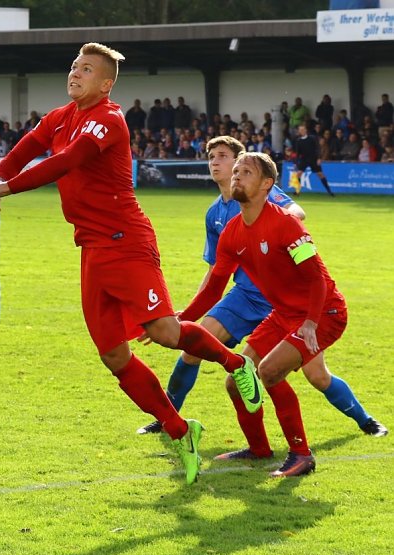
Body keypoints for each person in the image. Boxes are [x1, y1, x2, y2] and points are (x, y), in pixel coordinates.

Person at [0, 42, 264, 486]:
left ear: (105, 83)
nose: (76, 73)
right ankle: (180, 429)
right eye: (74, 66)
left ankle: (236, 365)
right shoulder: (59, 117)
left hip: (127, 242)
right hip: (91, 250)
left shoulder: (109, 119)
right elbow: (28, 146)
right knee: (113, 354)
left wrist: (4, 189)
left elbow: (65, 161)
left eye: (86, 69)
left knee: (165, 333)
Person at [137, 136, 385, 440]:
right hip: (246, 297)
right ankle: (168, 418)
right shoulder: (216, 214)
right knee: (195, 348)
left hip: (291, 302)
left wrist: (277, 233)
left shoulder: (263, 195)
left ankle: (364, 420)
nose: (215, 162)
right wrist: (182, 318)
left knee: (317, 376)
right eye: (211, 156)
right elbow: (215, 273)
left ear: (241, 162)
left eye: (223, 156)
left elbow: (298, 215)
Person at [180, 152, 372, 477]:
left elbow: (315, 278)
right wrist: (181, 317)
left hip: (324, 312)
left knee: (268, 372)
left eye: (246, 172)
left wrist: (311, 322)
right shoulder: (231, 232)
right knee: (237, 380)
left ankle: (301, 454)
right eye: (236, 171)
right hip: (284, 314)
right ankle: (258, 450)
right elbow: (214, 288)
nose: (237, 176)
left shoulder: (286, 224)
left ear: (267, 184)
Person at [294, 123, 335, 196]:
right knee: (298, 174)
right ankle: (297, 191)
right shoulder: (298, 141)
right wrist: (296, 163)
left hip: (313, 158)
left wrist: (319, 158)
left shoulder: (312, 138)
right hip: (304, 159)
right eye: (300, 130)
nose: (302, 131)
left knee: (320, 174)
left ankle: (329, 191)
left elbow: (317, 148)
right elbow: (298, 153)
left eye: (303, 129)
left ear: (306, 130)